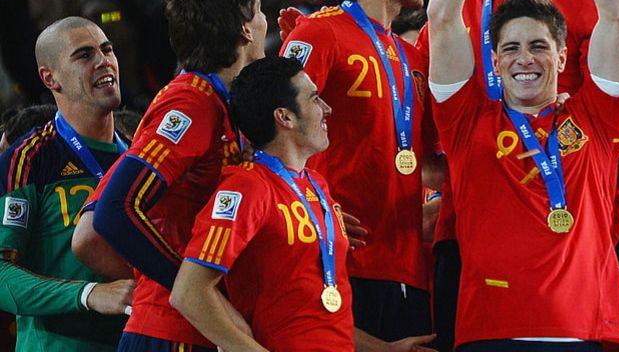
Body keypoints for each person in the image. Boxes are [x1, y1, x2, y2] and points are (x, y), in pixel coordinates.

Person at [426, 0, 619, 351]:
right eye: (512, 48)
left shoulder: (595, 117)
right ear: (491, 61)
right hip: (489, 330)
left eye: (540, 47)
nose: (525, 59)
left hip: (583, 328)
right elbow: (441, 14)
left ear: (565, 58)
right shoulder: (469, 120)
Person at [170, 56, 435, 352]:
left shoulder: (316, 186)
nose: (327, 109)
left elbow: (317, 319)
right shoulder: (247, 187)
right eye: (315, 99)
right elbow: (188, 291)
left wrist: (386, 349)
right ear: (285, 117)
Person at [75, 0, 267, 351]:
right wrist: (193, 290)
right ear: (245, 30)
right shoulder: (191, 103)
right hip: (172, 333)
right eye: (260, 12)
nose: (266, 22)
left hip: (198, 330)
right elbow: (113, 212)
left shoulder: (222, 104)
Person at [280, 0, 437, 342]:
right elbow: (269, 133)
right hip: (340, 264)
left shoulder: (412, 58)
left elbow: (428, 163)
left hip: (411, 268)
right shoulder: (319, 31)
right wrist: (313, 210)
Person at [0, 17, 135, 351]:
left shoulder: (139, 151)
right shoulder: (28, 160)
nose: (104, 61)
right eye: (84, 55)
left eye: (107, 49)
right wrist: (88, 295)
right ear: (50, 78)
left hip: (135, 340)